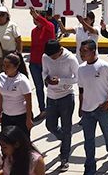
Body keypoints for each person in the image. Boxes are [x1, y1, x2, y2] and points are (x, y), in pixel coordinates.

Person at [78, 39, 108, 174]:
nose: (81, 53)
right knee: (88, 141)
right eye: (80, 51)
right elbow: (81, 89)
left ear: (93, 51)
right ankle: (90, 167)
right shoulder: (81, 68)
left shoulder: (104, 66)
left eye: (84, 51)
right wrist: (80, 106)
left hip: (103, 110)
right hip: (87, 111)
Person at [41, 40, 79, 172]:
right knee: (50, 126)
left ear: (60, 50)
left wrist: (61, 81)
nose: (51, 58)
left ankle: (64, 157)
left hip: (66, 97)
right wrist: (46, 79)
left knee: (66, 127)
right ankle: (65, 139)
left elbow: (77, 78)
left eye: (54, 56)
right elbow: (44, 72)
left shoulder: (70, 59)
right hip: (51, 97)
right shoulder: (46, 56)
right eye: (49, 56)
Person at [27, 8, 55, 123]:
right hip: (34, 63)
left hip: (47, 64)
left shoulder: (49, 28)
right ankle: (43, 110)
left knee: (51, 86)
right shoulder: (33, 31)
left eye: (37, 18)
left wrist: (36, 15)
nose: (35, 20)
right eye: (33, 18)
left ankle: (52, 109)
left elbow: (46, 23)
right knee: (39, 88)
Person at [0, 52, 33, 137]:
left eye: (8, 66)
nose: (5, 68)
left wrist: (28, 119)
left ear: (16, 67)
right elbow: (1, 95)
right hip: (6, 116)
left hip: (21, 117)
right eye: (3, 66)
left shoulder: (22, 80)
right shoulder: (1, 77)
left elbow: (28, 101)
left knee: (23, 142)